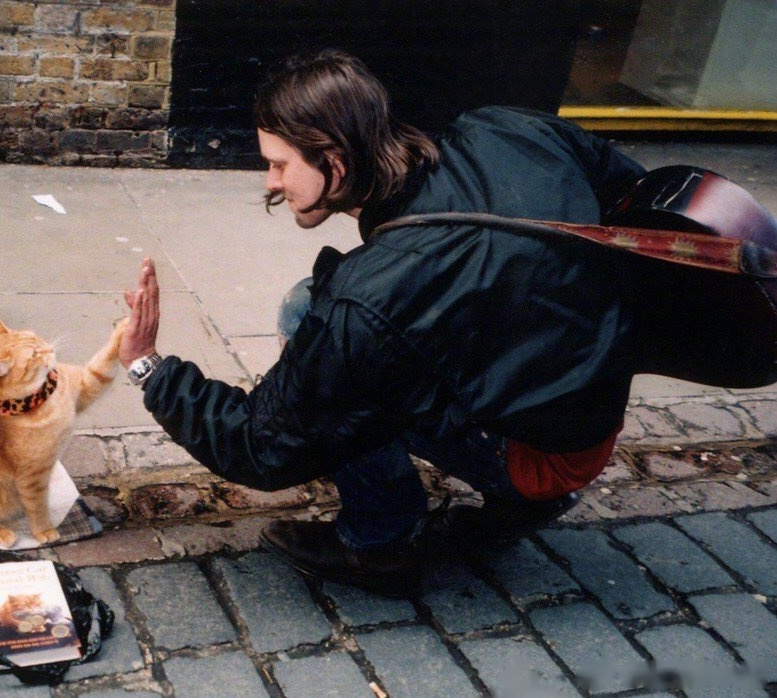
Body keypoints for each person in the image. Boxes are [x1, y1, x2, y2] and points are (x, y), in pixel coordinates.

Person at [118, 49, 648, 598]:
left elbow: (262, 446)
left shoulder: (373, 302)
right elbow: (635, 195)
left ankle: (380, 546)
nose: (270, 181)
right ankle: (516, 498)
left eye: (279, 164)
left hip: (539, 458)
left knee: (313, 322)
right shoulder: (502, 128)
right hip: (590, 413)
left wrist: (148, 368)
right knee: (332, 317)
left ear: (337, 164)